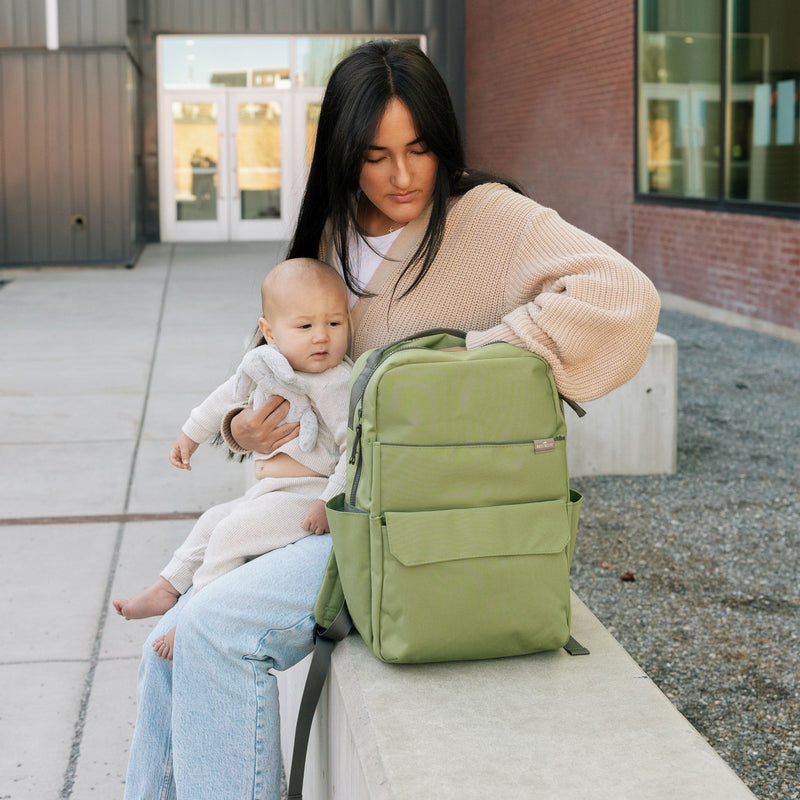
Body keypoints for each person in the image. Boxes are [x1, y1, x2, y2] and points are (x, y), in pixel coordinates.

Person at [124, 40, 660, 799]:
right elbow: (271, 369)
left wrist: (460, 363)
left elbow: (622, 297)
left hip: (406, 523)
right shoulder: (331, 233)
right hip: (313, 506)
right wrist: (241, 430)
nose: (402, 176)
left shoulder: (488, 219)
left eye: (420, 149)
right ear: (345, 156)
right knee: (164, 642)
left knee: (212, 633)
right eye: (375, 156)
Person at [113, 258, 352, 661]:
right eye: (304, 326)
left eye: (334, 323)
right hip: (273, 491)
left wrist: (330, 500)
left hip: (307, 496)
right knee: (213, 520)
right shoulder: (265, 364)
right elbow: (225, 397)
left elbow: (354, 447)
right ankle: (167, 587)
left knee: (232, 533)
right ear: (269, 332)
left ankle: (194, 615)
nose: (321, 337)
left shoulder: (336, 381)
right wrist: (190, 435)